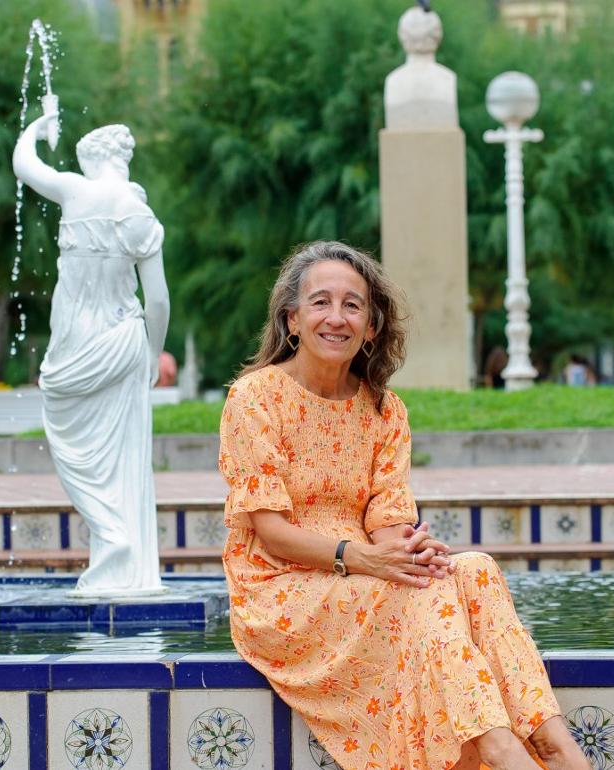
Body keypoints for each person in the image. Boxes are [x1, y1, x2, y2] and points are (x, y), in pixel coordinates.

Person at [218, 241, 589, 770]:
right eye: (321, 302)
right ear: (292, 319)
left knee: (474, 571)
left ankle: (554, 747)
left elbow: (389, 526)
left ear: (371, 326)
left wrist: (412, 553)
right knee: (422, 597)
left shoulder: (385, 409)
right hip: (280, 586)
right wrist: (371, 560)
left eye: (353, 305)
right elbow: (271, 533)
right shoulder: (255, 398)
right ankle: (504, 750)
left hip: (363, 573)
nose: (337, 317)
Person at [13, 116, 170, 595]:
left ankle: (111, 541)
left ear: (93, 158)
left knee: (73, 440)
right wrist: (152, 354)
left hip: (74, 344)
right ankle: (123, 550)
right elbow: (158, 300)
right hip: (123, 340)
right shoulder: (139, 215)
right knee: (126, 455)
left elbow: (24, 165)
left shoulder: (74, 191)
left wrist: (36, 129)